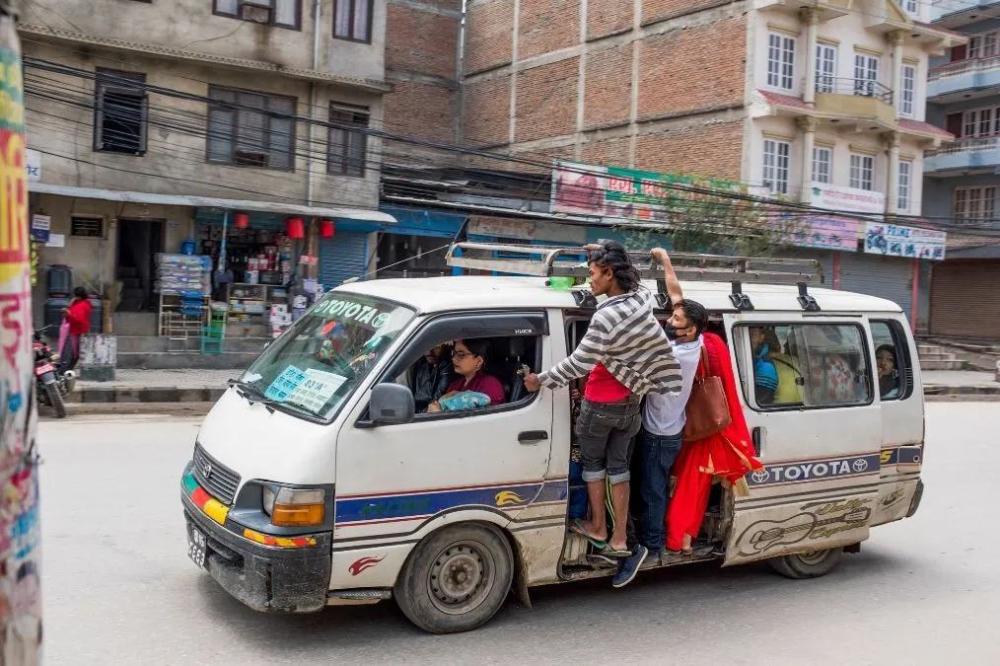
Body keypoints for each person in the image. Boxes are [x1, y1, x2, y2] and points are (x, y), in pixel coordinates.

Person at [524, 240, 682, 575]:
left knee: (593, 466)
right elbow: (626, 268)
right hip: (630, 404)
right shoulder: (641, 298)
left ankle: (597, 526)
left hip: (600, 406)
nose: (590, 280)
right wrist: (605, 249)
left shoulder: (605, 316)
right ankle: (620, 537)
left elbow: (578, 365)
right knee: (619, 469)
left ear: (610, 273)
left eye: (593, 273)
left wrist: (540, 380)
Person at [615, 248, 707, 588]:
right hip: (669, 427)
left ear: (691, 329)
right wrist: (665, 260)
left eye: (677, 320)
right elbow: (676, 294)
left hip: (660, 434)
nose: (670, 319)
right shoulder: (690, 341)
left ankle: (651, 545)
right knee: (649, 485)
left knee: (652, 489)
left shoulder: (676, 354)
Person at [666, 330, 764, 553]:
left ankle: (679, 538)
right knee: (695, 488)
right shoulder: (714, 344)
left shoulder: (698, 347)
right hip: (712, 424)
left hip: (697, 427)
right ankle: (684, 539)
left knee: (689, 486)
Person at [427, 339, 504, 412]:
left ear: (479, 361)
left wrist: (439, 415)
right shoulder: (455, 384)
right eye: (453, 353)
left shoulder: (491, 385)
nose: (453, 359)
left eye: (461, 355)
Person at [58, 287, 92, 372]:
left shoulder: (83, 305)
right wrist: (69, 308)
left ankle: (65, 370)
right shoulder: (78, 303)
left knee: (71, 352)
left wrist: (69, 314)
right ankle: (67, 370)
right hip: (75, 330)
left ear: (80, 296)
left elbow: (79, 319)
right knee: (73, 353)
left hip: (77, 331)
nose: (75, 297)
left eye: (77, 296)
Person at [412, 344, 452, 412]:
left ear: (446, 346)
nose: (428, 353)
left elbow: (436, 401)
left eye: (435, 347)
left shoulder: (447, 367)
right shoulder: (422, 368)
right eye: (425, 347)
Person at [749, 326, 779, 405]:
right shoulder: (754, 358)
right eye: (748, 334)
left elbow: (760, 405)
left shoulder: (766, 368)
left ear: (761, 337)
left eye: (753, 335)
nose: (749, 339)